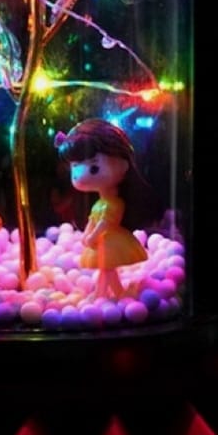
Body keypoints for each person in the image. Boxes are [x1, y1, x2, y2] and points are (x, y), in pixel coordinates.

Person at [55, 118, 150, 300]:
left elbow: (106, 223)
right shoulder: (100, 203)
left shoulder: (114, 203)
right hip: (101, 241)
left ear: (123, 165)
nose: (80, 176)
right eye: (75, 167)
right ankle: (112, 293)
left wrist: (92, 236)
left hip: (111, 241)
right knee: (106, 269)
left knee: (107, 268)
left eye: (94, 167)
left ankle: (104, 294)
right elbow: (93, 219)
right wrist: (87, 233)